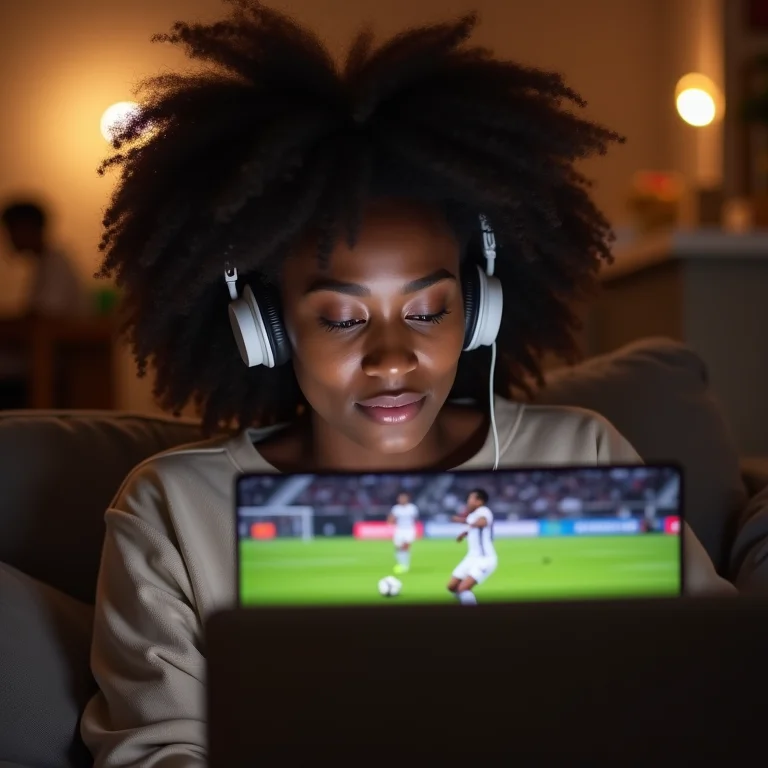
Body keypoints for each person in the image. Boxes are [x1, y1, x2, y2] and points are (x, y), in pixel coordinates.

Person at [80, 4, 734, 766]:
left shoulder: (581, 453)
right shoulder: (174, 511)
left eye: (428, 310)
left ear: (480, 309)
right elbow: (156, 753)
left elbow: (715, 682)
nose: (394, 359)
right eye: (343, 320)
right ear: (268, 327)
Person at [0, 201, 83, 317]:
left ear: (27, 229)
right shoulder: (45, 262)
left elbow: (46, 314)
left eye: (11, 231)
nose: (8, 239)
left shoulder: (57, 264)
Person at [448, 488, 497, 605]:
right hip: (471, 557)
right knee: (452, 586)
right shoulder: (473, 515)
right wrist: (463, 533)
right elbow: (473, 527)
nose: (468, 501)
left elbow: (482, 523)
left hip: (484, 559)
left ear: (479, 501)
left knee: (463, 588)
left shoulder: (484, 511)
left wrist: (460, 520)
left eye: (471, 498)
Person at [388, 491, 419, 573]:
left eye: (403, 498)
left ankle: (405, 565)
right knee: (398, 547)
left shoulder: (412, 508)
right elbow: (391, 519)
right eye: (400, 498)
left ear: (407, 499)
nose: (401, 499)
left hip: (409, 529)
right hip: (399, 529)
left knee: (405, 546)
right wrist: (391, 520)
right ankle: (400, 564)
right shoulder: (396, 508)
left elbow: (415, 518)